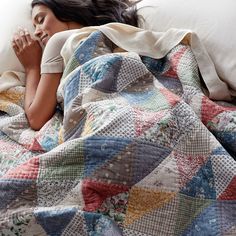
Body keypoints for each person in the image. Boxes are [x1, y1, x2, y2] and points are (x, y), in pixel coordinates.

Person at [12, 0, 139, 131]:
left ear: (66, 9)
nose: (37, 33)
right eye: (34, 27)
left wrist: (31, 67)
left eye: (41, 19)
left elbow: (36, 118)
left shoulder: (57, 41)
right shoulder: (119, 33)